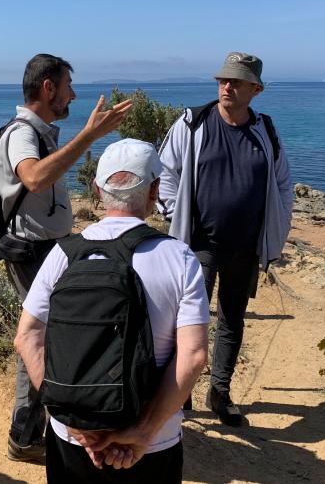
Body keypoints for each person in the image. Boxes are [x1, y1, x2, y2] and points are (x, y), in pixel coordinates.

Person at [15, 138, 209, 482]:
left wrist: (74, 421)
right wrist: (143, 433)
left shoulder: (64, 254)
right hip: (154, 445)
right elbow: (193, 355)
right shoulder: (179, 258)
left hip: (70, 441)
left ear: (96, 188)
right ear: (154, 190)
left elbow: (27, 337)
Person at [0, 53, 132, 462]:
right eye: (68, 86)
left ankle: (36, 428)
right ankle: (25, 434)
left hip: (48, 250)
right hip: (31, 252)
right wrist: (89, 136)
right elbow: (35, 178)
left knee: (48, 335)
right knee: (39, 336)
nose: (73, 94)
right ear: (48, 88)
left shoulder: (44, 132)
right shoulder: (22, 133)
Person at [157, 52, 293, 426]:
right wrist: (172, 213)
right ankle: (180, 393)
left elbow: (281, 182)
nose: (227, 87)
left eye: (236, 82)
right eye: (222, 80)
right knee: (189, 320)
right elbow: (167, 171)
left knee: (233, 319)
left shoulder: (265, 129)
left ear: (256, 89)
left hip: (246, 246)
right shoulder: (193, 122)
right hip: (199, 244)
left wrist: (276, 231)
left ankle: (221, 392)